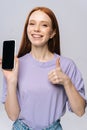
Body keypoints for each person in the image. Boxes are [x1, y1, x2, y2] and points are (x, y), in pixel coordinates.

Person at [0, 6, 87, 130]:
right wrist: (11, 81)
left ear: (53, 32)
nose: (36, 29)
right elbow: (13, 116)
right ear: (27, 29)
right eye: (32, 24)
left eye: (44, 25)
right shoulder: (16, 66)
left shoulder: (67, 65)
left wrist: (67, 82)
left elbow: (80, 111)